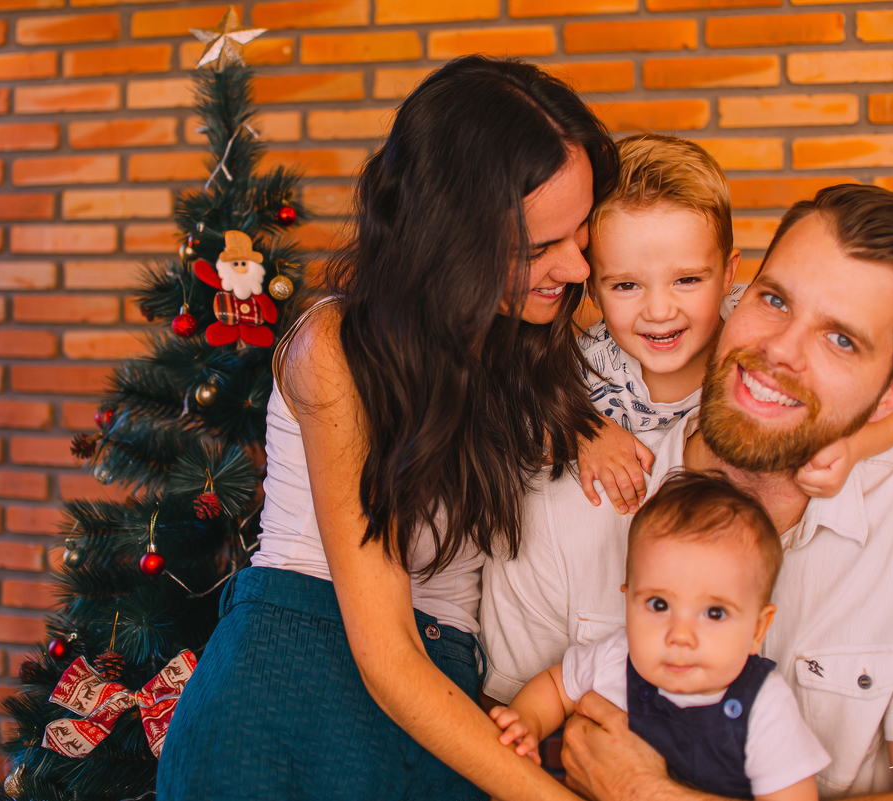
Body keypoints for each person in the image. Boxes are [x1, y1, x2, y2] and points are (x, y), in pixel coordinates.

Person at [156, 56, 618, 800]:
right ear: (452, 237)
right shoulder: (335, 347)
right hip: (293, 694)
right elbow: (388, 653)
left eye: (583, 231)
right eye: (540, 248)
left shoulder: (527, 350)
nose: (578, 267)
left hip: (447, 696)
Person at [480, 183, 893, 800]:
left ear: (892, 394)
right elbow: (507, 759)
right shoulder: (564, 507)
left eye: (841, 339)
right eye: (774, 300)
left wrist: (651, 794)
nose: (779, 350)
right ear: (739, 294)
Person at [575, 134, 893, 516]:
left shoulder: (755, 316)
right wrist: (586, 431)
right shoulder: (584, 366)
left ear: (728, 275)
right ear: (592, 288)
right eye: (626, 285)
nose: (660, 310)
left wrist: (865, 444)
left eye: (687, 280)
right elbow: (537, 418)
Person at [490, 472, 831, 801]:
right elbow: (556, 686)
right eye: (659, 604)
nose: (680, 635)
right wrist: (528, 721)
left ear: (757, 629)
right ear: (629, 603)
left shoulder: (766, 707)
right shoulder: (615, 657)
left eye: (714, 613)